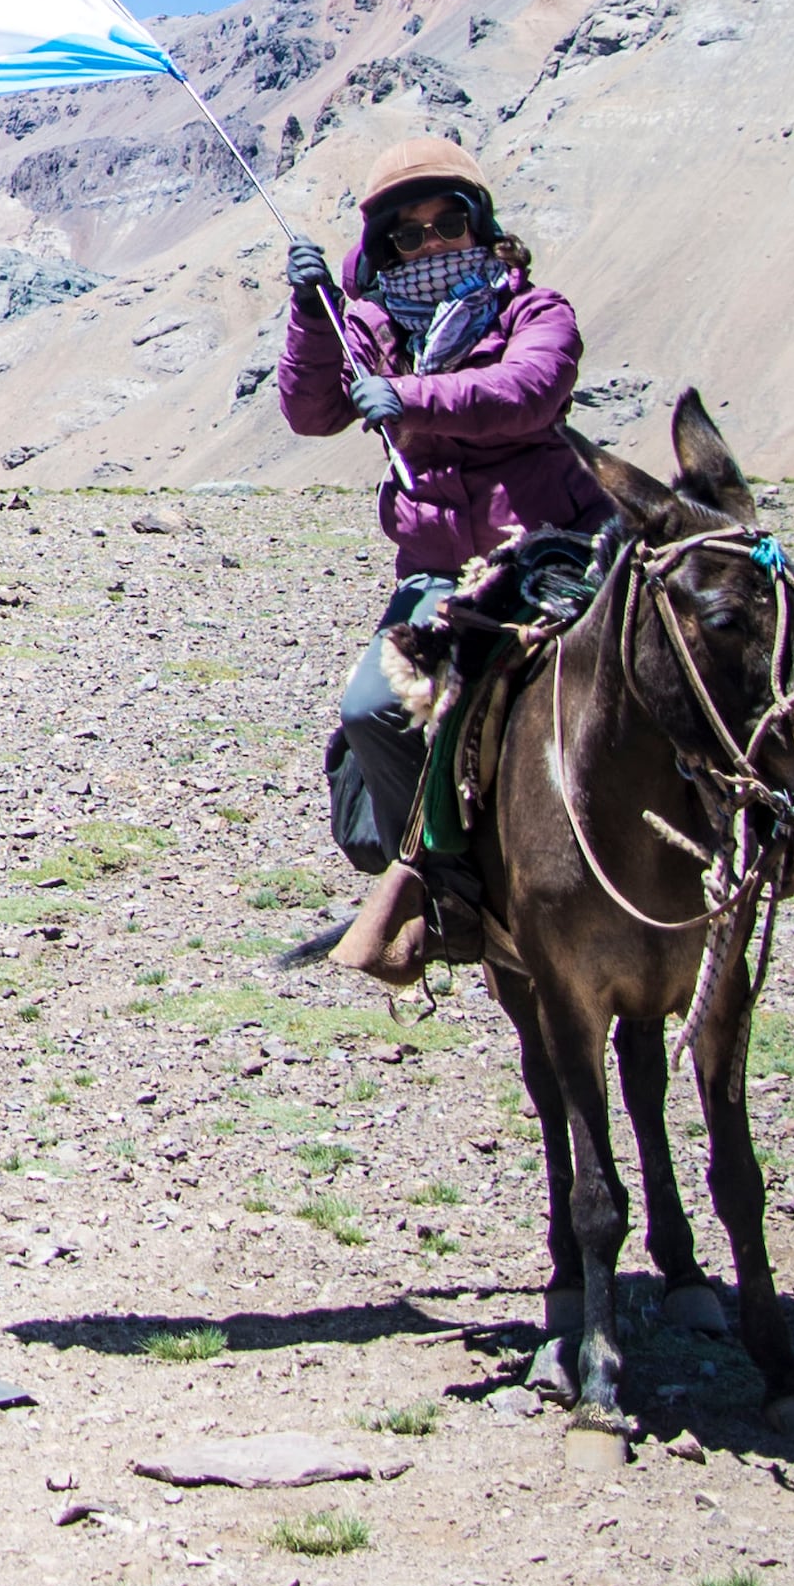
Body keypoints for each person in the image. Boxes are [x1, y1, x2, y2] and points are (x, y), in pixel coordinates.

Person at [276, 134, 612, 986]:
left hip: (553, 556)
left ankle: (758, 842)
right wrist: (313, 317)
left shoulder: (535, 311)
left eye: (447, 225)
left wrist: (414, 399)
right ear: (380, 248)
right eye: (408, 235)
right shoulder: (372, 330)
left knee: (659, 684)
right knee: (370, 712)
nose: (431, 245)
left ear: (481, 228)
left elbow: (530, 392)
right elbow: (310, 413)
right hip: (438, 579)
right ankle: (441, 881)